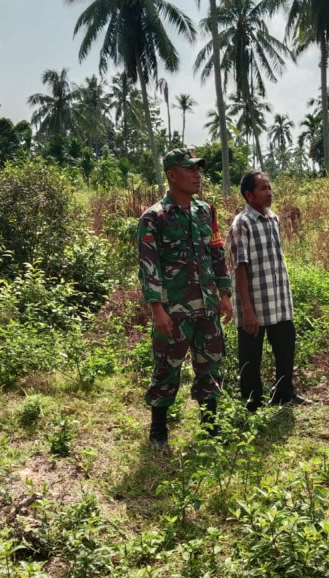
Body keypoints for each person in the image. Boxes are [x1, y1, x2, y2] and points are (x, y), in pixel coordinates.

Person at [137, 148, 233, 452]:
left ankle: (209, 426)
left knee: (211, 366)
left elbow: (216, 252)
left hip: (207, 307)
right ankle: (158, 431)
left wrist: (225, 293)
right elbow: (148, 265)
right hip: (174, 310)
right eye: (189, 169)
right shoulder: (154, 217)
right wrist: (157, 309)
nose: (197, 175)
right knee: (166, 368)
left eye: (198, 169)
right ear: (172, 175)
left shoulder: (206, 211)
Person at [228, 170, 307, 411]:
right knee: (251, 356)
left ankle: (284, 392)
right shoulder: (242, 223)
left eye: (269, 187)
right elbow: (239, 268)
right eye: (262, 189)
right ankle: (252, 402)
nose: (269, 193)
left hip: (279, 300)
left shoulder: (273, 219)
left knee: (285, 347)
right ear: (248, 195)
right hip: (255, 304)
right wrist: (248, 310)